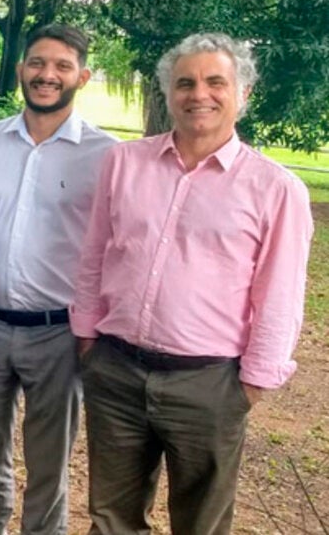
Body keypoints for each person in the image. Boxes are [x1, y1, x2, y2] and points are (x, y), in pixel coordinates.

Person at [72, 33, 313, 535]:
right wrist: (88, 335)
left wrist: (250, 385)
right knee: (111, 519)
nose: (198, 93)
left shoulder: (276, 189)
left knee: (200, 523)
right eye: (184, 82)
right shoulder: (124, 163)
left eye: (215, 81)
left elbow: (280, 294)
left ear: (242, 93)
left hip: (209, 382)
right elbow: (95, 253)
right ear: (168, 93)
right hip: (115, 370)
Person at [0, 24, 118, 535]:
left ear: (81, 77)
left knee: (49, 465)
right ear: (21, 70)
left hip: (59, 333)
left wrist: (91, 326)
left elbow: (112, 248)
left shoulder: (106, 156)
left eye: (62, 66)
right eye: (38, 63)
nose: (47, 75)